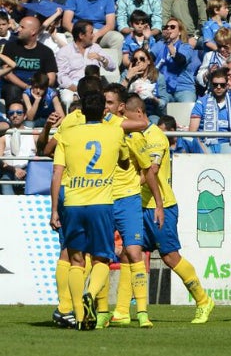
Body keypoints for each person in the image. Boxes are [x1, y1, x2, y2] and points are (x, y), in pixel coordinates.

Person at [126, 93, 216, 323]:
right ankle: (121, 312)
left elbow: (152, 171)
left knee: (170, 257)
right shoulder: (132, 137)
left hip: (161, 205)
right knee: (130, 254)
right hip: (138, 204)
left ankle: (203, 300)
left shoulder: (155, 136)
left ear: (138, 113)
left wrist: (127, 186)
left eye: (126, 116)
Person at [49, 91, 130, 331]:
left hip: (72, 203)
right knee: (102, 258)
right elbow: (124, 160)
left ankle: (79, 315)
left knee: (75, 260)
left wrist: (55, 210)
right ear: (104, 110)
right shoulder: (115, 131)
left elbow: (57, 172)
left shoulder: (67, 133)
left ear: (82, 111)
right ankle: (91, 294)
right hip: (101, 203)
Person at [101, 84, 164, 329]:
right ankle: (104, 311)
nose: (105, 107)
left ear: (120, 107)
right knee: (101, 257)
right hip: (103, 199)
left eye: (109, 103)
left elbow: (148, 171)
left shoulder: (135, 138)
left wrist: (158, 204)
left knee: (135, 253)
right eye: (103, 103)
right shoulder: (98, 132)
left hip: (128, 199)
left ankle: (142, 313)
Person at [56, 20, 117, 110]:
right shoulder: (64, 52)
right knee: (68, 99)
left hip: (94, 87)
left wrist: (100, 58)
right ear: (81, 35)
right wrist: (78, 89)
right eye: (91, 33)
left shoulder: (95, 48)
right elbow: (61, 76)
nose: (93, 36)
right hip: (73, 86)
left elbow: (112, 67)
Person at [189, 67, 231, 154]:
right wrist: (201, 148)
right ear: (211, 85)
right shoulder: (201, 102)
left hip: (228, 143)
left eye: (222, 85)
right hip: (205, 143)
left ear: (227, 85)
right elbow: (193, 131)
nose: (219, 87)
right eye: (215, 85)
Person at [1, 16, 57, 104]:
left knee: (52, 93)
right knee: (12, 90)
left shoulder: (46, 52)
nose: (18, 29)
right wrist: (26, 87)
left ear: (33, 31)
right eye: (19, 26)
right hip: (15, 86)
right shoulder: (10, 47)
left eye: (22, 27)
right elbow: (6, 74)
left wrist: (36, 88)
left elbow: (51, 78)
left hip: (38, 87)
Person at [63, 0, 125, 64]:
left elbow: (110, 24)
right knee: (65, 41)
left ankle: (113, 69)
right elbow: (66, 22)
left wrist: (96, 35)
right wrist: (81, 35)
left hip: (99, 32)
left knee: (117, 38)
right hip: (79, 31)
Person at [150, 18, 196, 102]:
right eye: (166, 27)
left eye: (172, 27)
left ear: (180, 32)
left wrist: (169, 44)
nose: (168, 29)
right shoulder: (160, 44)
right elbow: (148, 59)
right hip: (164, 88)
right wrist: (146, 39)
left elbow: (181, 61)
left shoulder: (185, 46)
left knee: (187, 109)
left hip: (183, 88)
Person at [121, 48, 169, 123]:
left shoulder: (158, 77)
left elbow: (164, 103)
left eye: (142, 59)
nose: (138, 61)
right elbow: (117, 94)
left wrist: (153, 98)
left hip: (151, 113)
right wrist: (128, 78)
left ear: (148, 61)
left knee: (155, 121)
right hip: (130, 112)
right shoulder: (126, 74)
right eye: (135, 60)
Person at [0, 101, 37, 195]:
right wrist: (14, 169)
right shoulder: (3, 137)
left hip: (30, 170)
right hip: (9, 171)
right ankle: (10, 208)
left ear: (24, 116)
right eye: (11, 113)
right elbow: (0, 160)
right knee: (5, 181)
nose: (15, 115)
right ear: (8, 116)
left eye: (19, 112)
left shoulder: (34, 133)